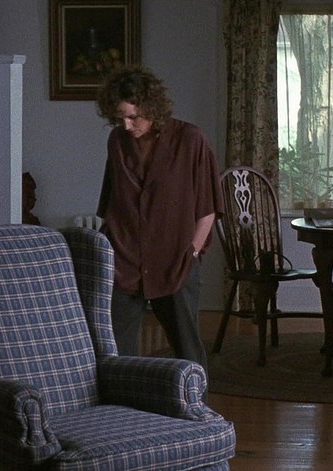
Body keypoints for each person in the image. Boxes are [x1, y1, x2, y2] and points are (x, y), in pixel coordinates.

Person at [95, 67, 224, 367]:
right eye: (119, 118)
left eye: (133, 117)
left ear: (151, 107)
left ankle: (195, 399)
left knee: (187, 349)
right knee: (117, 352)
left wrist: (191, 254)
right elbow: (112, 202)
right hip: (125, 262)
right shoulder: (117, 141)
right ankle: (125, 399)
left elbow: (208, 209)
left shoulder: (190, 140)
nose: (126, 125)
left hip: (176, 261)